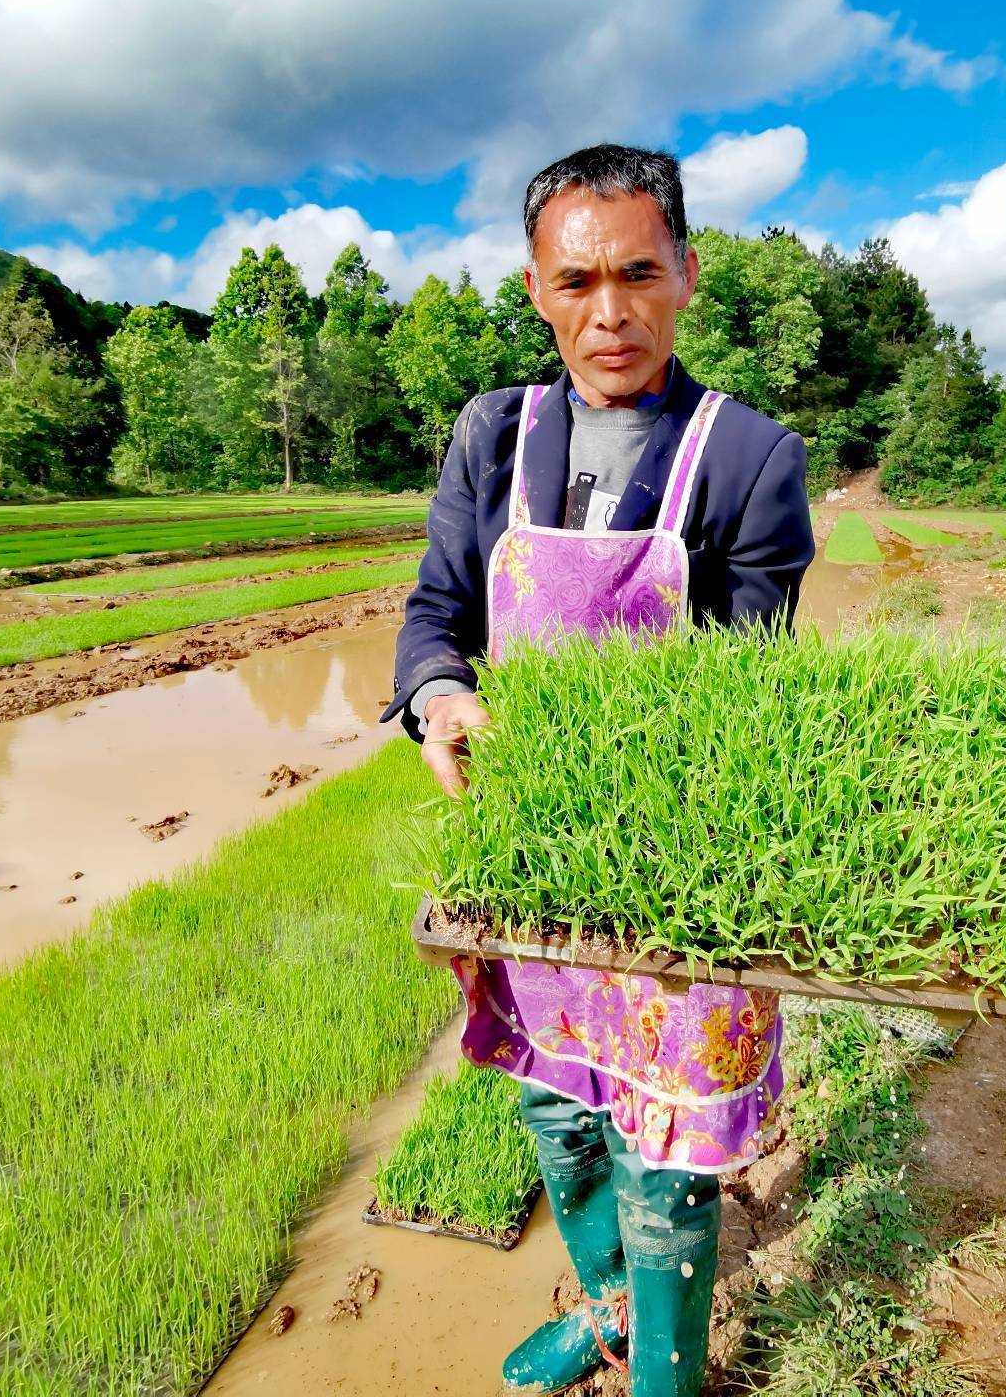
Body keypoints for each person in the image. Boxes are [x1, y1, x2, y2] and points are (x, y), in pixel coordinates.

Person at [382, 143, 814, 1396]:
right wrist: (442, 694)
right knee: (558, 1114)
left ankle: (668, 1375)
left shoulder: (745, 459)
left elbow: (742, 688)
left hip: (676, 864)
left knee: (663, 1141)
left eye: (637, 273)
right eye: (577, 283)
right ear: (536, 290)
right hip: (523, 856)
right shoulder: (493, 434)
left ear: (686, 272)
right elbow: (438, 609)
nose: (609, 311)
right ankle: (616, 1309)